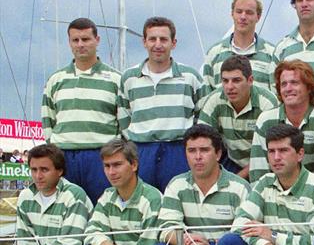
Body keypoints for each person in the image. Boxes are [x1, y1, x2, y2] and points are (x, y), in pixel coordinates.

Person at [118, 17, 208, 192]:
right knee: (143, 203)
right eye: (152, 39)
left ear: (173, 43)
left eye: (163, 39)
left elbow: (204, 113)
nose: (158, 44)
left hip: (178, 150)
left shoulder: (190, 77)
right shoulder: (129, 78)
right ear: (144, 42)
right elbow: (123, 115)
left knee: (180, 199)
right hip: (141, 151)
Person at [41, 17, 121, 203]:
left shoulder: (115, 79)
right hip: (65, 155)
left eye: (85, 39)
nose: (80, 44)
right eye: (75, 40)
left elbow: (123, 121)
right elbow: (48, 120)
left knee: (103, 207)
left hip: (100, 155)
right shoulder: (56, 80)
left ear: (97, 40)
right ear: (69, 42)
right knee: (65, 208)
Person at [249, 60, 314, 184]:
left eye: (294, 83)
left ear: (309, 88)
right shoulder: (265, 120)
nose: (288, 89)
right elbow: (258, 172)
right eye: (283, 84)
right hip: (275, 195)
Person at [198, 55, 278, 180]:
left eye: (236, 80)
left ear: (250, 80)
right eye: (225, 81)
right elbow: (201, 140)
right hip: (231, 162)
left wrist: (237, 180)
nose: (229, 87)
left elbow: (273, 151)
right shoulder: (215, 100)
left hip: (265, 164)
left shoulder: (267, 103)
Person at [202, 0, 276, 91]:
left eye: (249, 13)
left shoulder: (272, 54)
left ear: (258, 17)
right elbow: (206, 98)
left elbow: (277, 98)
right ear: (232, 14)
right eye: (239, 11)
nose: (243, 17)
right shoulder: (214, 54)